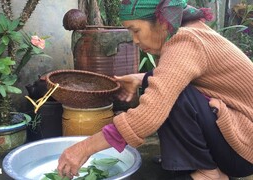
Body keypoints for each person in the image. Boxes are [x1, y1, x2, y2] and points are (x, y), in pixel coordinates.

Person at [57, 0, 253, 179]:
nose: (134, 40)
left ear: (161, 22)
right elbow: (181, 74)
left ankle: (209, 173)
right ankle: (188, 160)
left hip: (243, 152)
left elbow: (148, 115)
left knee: (168, 97)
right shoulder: (189, 31)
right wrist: (141, 78)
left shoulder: (185, 41)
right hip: (237, 137)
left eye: (135, 30)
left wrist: (83, 148)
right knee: (159, 82)